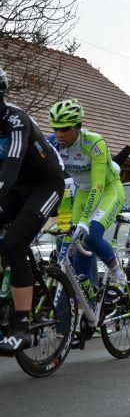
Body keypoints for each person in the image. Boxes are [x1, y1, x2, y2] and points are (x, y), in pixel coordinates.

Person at [0, 68, 66, 352]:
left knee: (14, 242)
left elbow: (11, 169)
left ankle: (24, 324)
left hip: (46, 184)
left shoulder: (16, 120)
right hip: (15, 188)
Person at [50, 99, 128, 296]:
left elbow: (98, 185)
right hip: (83, 193)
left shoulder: (94, 143)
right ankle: (86, 299)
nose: (59, 134)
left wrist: (85, 221)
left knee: (91, 235)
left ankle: (118, 274)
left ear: (77, 127)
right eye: (56, 128)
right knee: (75, 245)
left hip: (108, 190)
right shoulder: (53, 144)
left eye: (65, 129)